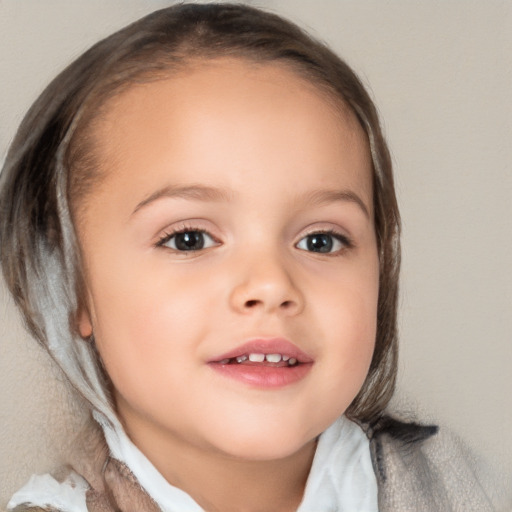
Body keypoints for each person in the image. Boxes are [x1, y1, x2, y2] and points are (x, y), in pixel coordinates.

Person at [0, 3, 498, 511]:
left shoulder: (467, 485)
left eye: (320, 240)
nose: (271, 284)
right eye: (189, 239)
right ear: (69, 282)